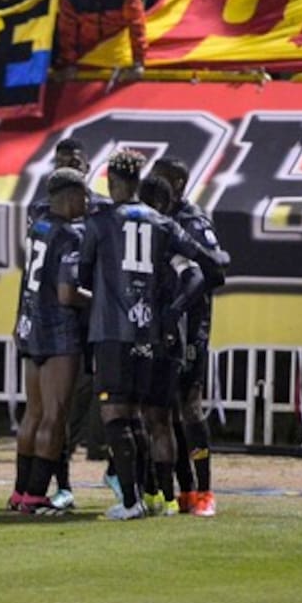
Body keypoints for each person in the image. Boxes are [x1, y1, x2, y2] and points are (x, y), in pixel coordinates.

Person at [78, 149, 228, 520]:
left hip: (120, 331)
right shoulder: (163, 225)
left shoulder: (100, 222)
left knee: (121, 414)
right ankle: (163, 498)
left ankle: (138, 500)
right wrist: (171, 310)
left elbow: (82, 277)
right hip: (154, 333)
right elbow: (212, 269)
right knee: (153, 416)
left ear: (112, 181)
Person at [149, 155, 227, 517]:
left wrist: (179, 305)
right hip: (160, 328)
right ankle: (185, 490)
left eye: (162, 177)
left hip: (190, 329)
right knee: (164, 411)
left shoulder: (192, 221)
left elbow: (215, 269)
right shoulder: (151, 216)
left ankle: (206, 491)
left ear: (179, 183)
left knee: (189, 406)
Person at [8, 168, 89, 514]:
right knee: (55, 416)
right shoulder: (70, 236)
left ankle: (20, 492)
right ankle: (37, 495)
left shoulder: (38, 224)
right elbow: (67, 293)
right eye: (84, 196)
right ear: (70, 197)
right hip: (58, 331)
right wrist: (101, 299)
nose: (86, 203)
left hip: (30, 325)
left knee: (34, 413)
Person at [55, 0, 146, 79]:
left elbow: (137, 24)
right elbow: (67, 32)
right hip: (87, 56)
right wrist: (69, 64)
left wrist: (138, 62)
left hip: (118, 51)